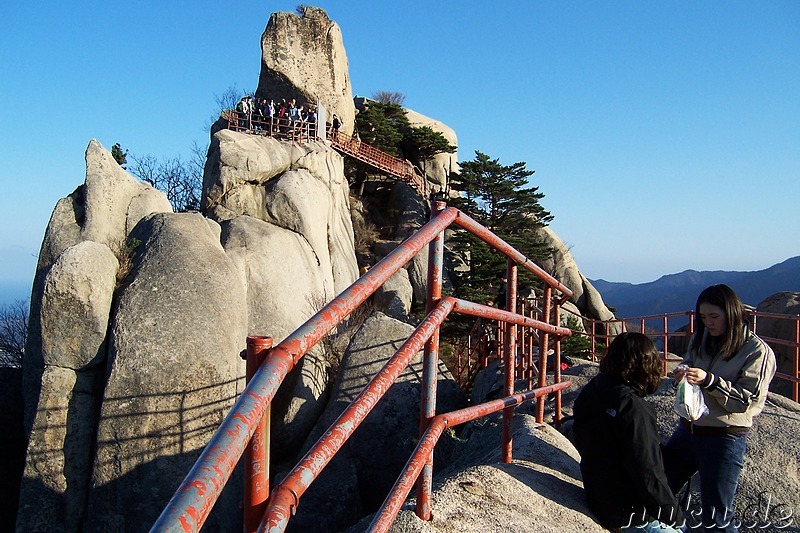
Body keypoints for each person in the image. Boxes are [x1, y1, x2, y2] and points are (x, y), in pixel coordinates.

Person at [662, 284, 776, 532]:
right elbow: (689, 361)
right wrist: (682, 372)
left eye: (714, 317)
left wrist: (709, 381)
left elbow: (746, 401)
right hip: (688, 431)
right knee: (660, 487)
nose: (708, 323)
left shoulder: (757, 351)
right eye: (703, 318)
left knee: (717, 515)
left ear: (732, 313)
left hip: (724, 437)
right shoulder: (702, 339)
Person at [573, 332, 683, 532]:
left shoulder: (594, 390)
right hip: (631, 514)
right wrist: (675, 515)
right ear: (644, 366)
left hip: (600, 497)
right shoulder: (633, 409)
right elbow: (647, 472)